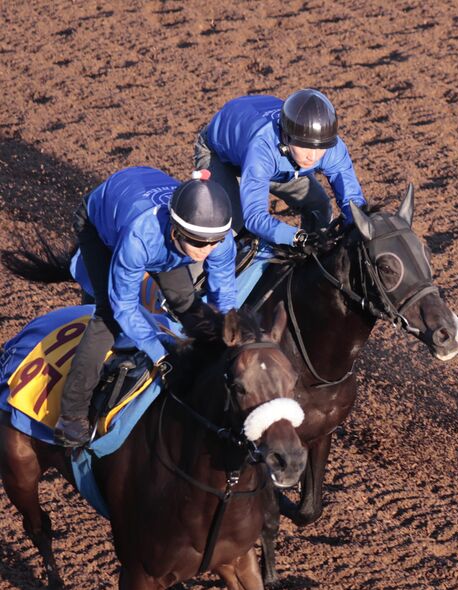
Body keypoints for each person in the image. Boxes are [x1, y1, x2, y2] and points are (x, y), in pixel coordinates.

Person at [54, 167, 237, 447]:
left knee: (187, 302)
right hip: (101, 226)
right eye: (200, 243)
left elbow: (223, 294)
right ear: (176, 231)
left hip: (159, 235)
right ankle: (71, 416)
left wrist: (227, 334)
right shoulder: (140, 238)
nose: (208, 250)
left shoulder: (216, 238)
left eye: (216, 242)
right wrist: (159, 354)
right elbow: (124, 306)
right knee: (107, 318)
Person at [193, 89, 367, 248]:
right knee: (230, 227)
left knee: (318, 205)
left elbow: (352, 200)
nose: (312, 157)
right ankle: (198, 280)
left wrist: (359, 225)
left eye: (320, 147)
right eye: (304, 146)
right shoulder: (262, 148)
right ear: (285, 136)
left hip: (274, 164)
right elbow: (254, 217)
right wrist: (297, 237)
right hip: (220, 156)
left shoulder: (331, 147)